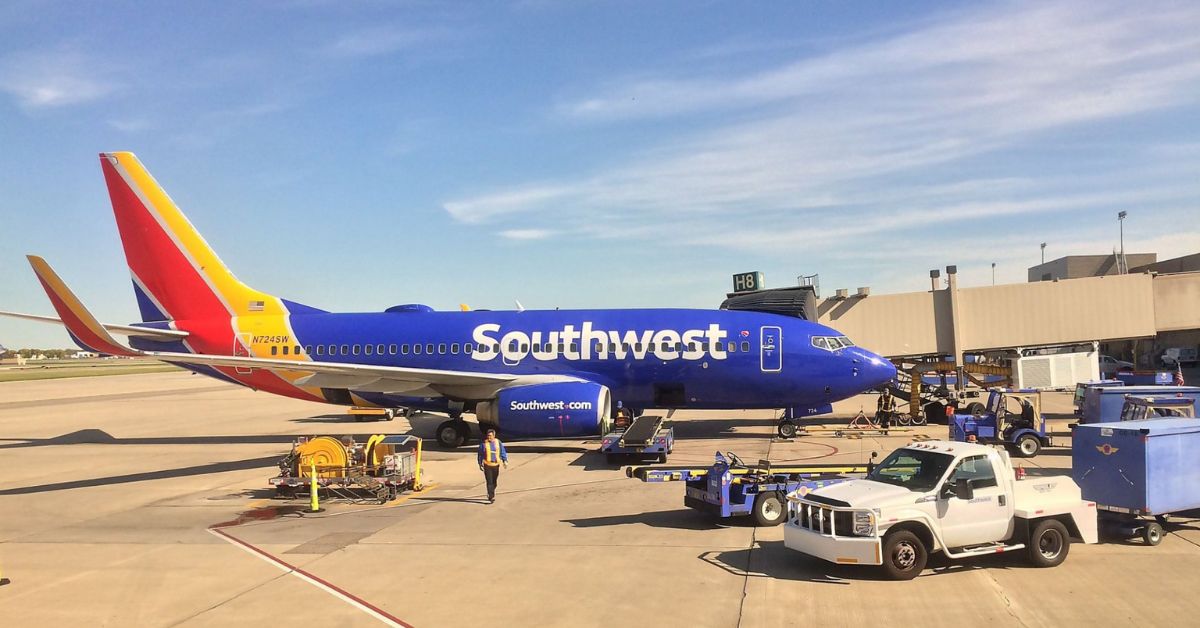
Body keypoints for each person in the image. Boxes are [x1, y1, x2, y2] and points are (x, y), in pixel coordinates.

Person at [477, 428, 508, 503]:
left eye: (490, 436)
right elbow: (480, 454)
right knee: (489, 481)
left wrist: (505, 460)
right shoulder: (483, 444)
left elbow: (502, 451)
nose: (489, 437)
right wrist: (480, 463)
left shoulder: (498, 442)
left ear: (494, 436)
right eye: (488, 436)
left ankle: (492, 490)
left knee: (494, 482)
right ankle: (491, 496)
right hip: (487, 465)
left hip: (496, 465)